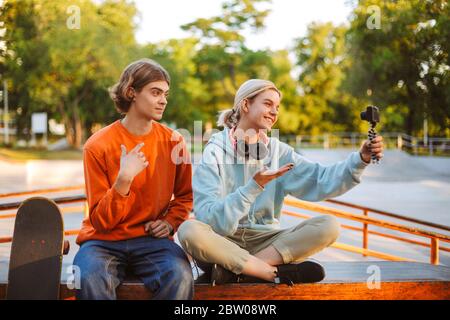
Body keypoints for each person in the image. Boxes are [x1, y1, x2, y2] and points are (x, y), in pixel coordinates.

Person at [178, 79, 384, 285]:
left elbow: (321, 180)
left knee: (329, 225)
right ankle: (270, 273)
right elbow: (209, 219)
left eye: (277, 107)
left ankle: (241, 271)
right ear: (246, 105)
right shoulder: (214, 152)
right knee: (188, 230)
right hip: (222, 244)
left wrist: (361, 159)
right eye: (268, 104)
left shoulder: (279, 152)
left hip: (268, 244)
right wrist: (253, 187)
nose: (275, 112)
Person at [73, 59, 194, 299]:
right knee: (87, 277)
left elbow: (185, 196)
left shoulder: (174, 142)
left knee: (180, 275)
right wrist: (123, 180)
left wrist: (170, 221)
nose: (163, 100)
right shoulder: (97, 145)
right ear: (132, 93)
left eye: (165, 94)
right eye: (155, 92)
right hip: (101, 242)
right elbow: (101, 222)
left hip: (152, 241)